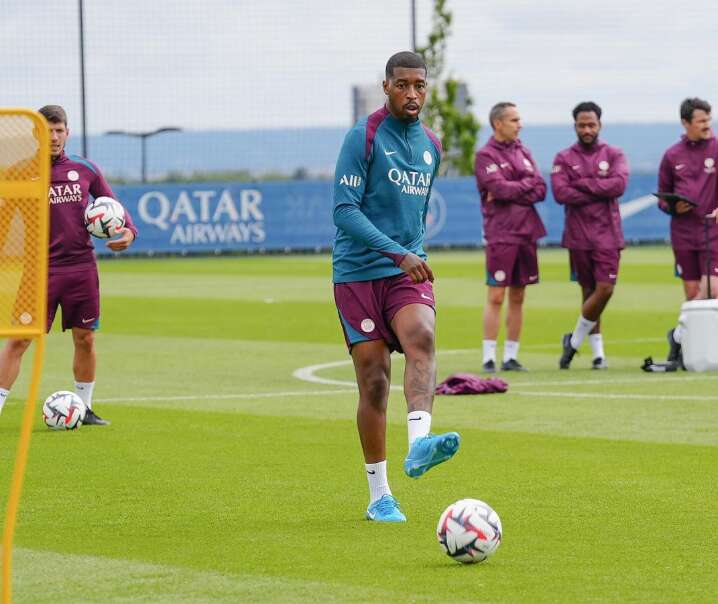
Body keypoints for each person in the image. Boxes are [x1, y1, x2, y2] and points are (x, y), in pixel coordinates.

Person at [332, 51, 460, 523]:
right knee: (374, 381)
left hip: (405, 271)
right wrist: (397, 252)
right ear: (386, 86)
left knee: (422, 337)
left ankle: (420, 443)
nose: (412, 94)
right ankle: (379, 496)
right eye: (403, 85)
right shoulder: (362, 137)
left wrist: (412, 255)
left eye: (419, 86)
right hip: (357, 274)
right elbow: (344, 211)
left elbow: (417, 216)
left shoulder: (431, 145)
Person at [0, 105, 138, 423]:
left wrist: (129, 232)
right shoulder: (20, 172)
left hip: (81, 269)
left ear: (67, 132)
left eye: (59, 130)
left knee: (85, 337)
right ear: (36, 133)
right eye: (47, 130)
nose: (54, 136)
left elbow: (112, 203)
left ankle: (85, 407)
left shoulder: (85, 169)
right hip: (37, 272)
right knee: (19, 340)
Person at [554, 102, 628, 370]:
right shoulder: (564, 157)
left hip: (608, 234)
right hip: (578, 235)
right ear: (575, 126)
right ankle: (598, 355)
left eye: (591, 125)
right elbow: (561, 193)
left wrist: (582, 185)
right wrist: (599, 187)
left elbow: (618, 185)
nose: (587, 129)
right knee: (588, 292)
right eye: (582, 125)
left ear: (600, 125)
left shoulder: (614, 153)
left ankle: (573, 341)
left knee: (605, 289)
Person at [474, 102, 547, 372]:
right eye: (515, 120)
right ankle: (489, 356)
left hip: (527, 232)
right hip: (501, 234)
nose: (520, 124)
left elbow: (541, 189)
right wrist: (522, 186)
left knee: (518, 296)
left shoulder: (524, 151)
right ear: (498, 124)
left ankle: (511, 357)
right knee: (496, 296)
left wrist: (515, 187)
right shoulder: (485, 156)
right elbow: (498, 189)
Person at [657, 98, 718, 365]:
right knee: (692, 292)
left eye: (709, 120)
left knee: (711, 289)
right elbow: (661, 196)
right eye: (701, 121)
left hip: (713, 231)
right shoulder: (672, 155)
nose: (707, 125)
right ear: (686, 123)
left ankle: (678, 338)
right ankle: (687, 346)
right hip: (682, 232)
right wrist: (673, 206)